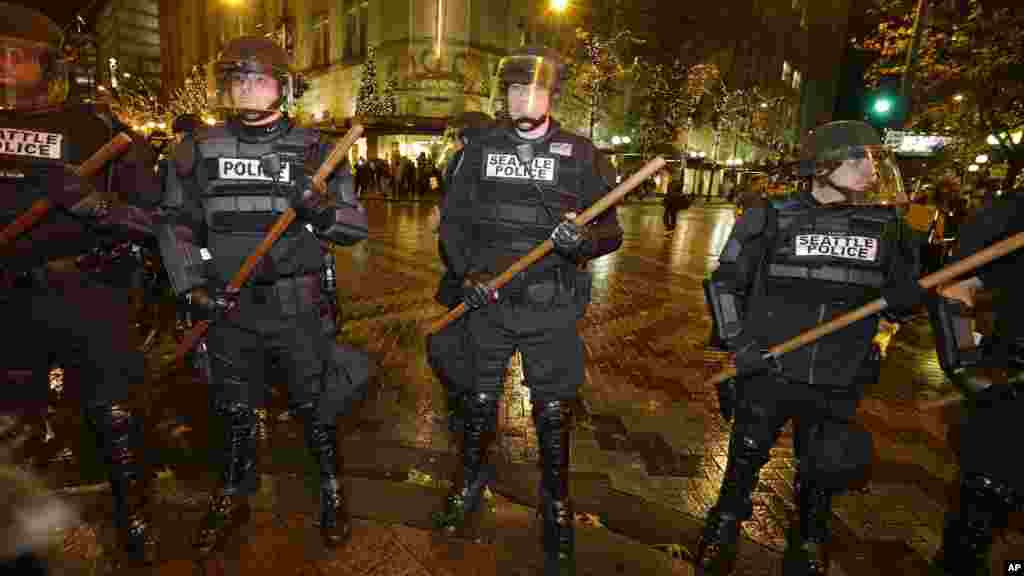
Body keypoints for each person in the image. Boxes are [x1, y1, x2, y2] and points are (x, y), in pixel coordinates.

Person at [155, 35, 369, 559]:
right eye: (238, 79)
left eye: (260, 79)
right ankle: (232, 491)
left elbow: (353, 226)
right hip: (228, 306)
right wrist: (191, 285)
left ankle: (332, 489)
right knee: (234, 407)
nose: (248, 88)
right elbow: (174, 223)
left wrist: (320, 211)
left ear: (283, 87)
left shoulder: (318, 149)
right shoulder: (197, 149)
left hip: (297, 304)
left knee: (315, 405)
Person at [698, 121, 926, 576]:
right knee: (745, 455)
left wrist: (906, 303)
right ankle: (722, 529)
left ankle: (808, 543)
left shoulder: (889, 228)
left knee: (821, 468)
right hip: (771, 368)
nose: (868, 169)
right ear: (823, 166)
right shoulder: (770, 215)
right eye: (856, 158)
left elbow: (903, 302)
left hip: (839, 375)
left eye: (870, 159)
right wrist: (738, 343)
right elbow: (725, 285)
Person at [437, 45, 623, 574]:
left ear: (551, 97)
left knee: (553, 412)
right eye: (517, 89)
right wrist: (465, 272)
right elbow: (453, 222)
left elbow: (612, 230)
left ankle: (556, 502)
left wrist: (583, 239)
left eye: (535, 90)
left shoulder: (583, 154)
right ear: (505, 95)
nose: (525, 98)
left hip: (552, 308)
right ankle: (470, 481)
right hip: (489, 302)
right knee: (476, 401)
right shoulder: (478, 150)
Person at [0, 4, 161, 566]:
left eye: (15, 55)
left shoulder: (99, 130)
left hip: (88, 293)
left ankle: (131, 514)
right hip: (8, 298)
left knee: (112, 413)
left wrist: (95, 205)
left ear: (49, 64)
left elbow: (150, 221)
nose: (2, 66)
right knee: (11, 420)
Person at [926, 187, 1024, 575]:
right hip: (1013, 386)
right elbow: (953, 292)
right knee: (984, 503)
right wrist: (969, 370)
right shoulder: (1009, 216)